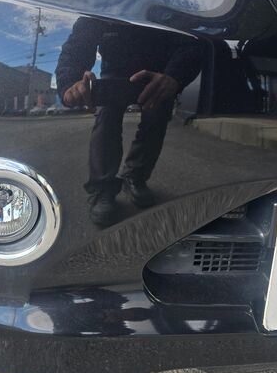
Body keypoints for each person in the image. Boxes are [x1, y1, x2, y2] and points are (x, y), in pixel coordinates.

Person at [56, 17, 204, 226]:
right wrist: (70, 82)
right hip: (115, 72)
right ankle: (103, 188)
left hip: (158, 73)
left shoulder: (169, 7)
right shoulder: (103, 5)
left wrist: (175, 76)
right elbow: (78, 44)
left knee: (157, 115)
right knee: (107, 116)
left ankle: (134, 176)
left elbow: (191, 41)